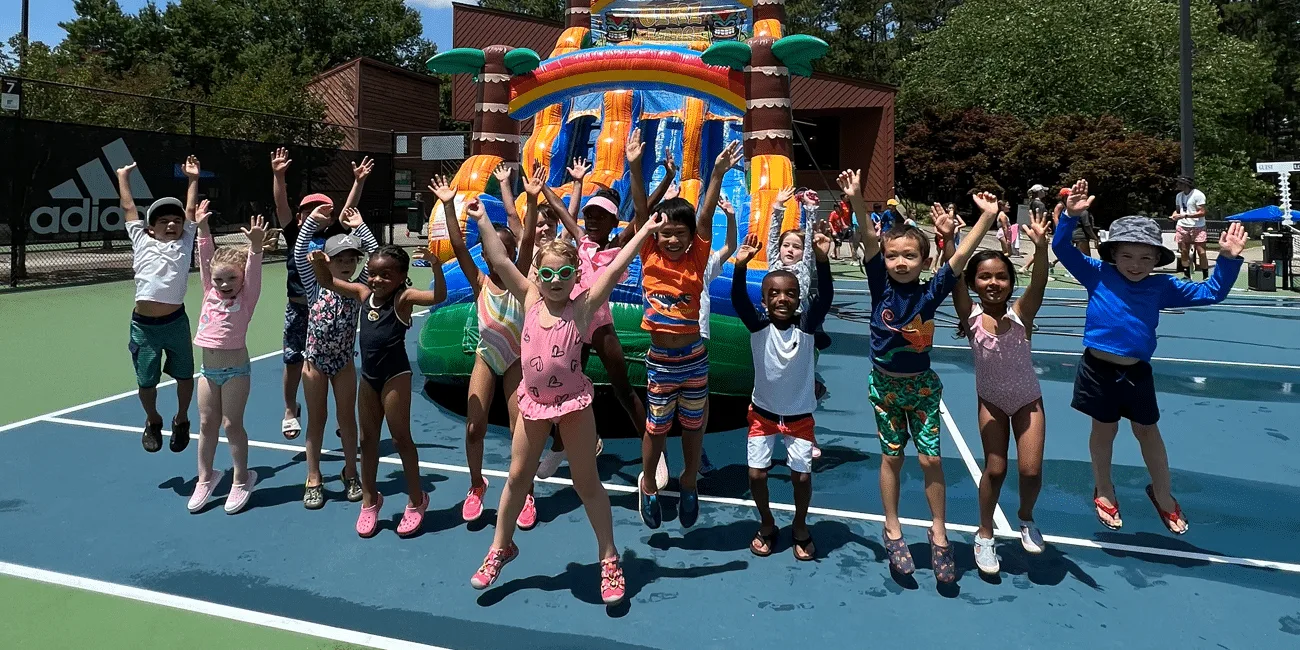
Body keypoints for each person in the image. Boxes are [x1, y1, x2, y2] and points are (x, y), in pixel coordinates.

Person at [466, 202, 667, 605]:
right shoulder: (529, 298)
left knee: (586, 483)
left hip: (573, 405)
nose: (554, 281)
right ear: (536, 275)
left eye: (563, 274)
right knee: (516, 478)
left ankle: (609, 558)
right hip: (534, 406)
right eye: (546, 273)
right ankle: (500, 547)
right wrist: (482, 220)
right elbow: (500, 257)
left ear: (575, 275)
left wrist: (644, 232)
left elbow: (611, 271)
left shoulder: (583, 307)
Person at [1053, 179, 1245, 536]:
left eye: (1145, 257)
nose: (1135, 264)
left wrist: (1229, 259)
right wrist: (1070, 216)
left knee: (1148, 432)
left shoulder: (1162, 286)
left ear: (1158, 259)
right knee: (1103, 431)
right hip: (1097, 369)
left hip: (1136, 371)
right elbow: (1061, 248)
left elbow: (1213, 292)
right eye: (1126, 255)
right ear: (1112, 255)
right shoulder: (1097, 274)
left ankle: (1162, 494)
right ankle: (1104, 489)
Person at [845, 167, 999, 585]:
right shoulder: (881, 285)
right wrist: (858, 198)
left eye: (909, 256)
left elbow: (961, 257)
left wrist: (985, 218)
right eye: (893, 255)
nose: (899, 262)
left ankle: (938, 530)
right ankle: (892, 527)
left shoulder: (930, 294)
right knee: (892, 457)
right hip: (884, 388)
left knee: (931, 458)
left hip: (922, 388)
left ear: (924, 260)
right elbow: (868, 237)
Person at [626, 130, 742, 530]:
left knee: (693, 425)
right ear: (655, 235)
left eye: (681, 233)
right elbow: (642, 211)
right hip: (660, 360)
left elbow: (705, 215)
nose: (672, 239)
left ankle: (689, 479)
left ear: (693, 238)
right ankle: (649, 485)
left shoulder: (697, 258)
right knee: (655, 428)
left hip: (693, 358)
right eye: (666, 233)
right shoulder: (649, 255)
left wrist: (717, 174)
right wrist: (634, 167)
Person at [533, 157, 672, 482]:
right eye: (590, 214)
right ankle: (558, 447)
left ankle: (656, 451)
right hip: (571, 328)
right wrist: (541, 186)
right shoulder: (580, 239)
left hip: (598, 324)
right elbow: (562, 208)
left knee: (623, 390)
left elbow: (646, 208)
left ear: (613, 221)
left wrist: (666, 178)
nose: (593, 220)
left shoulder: (619, 244)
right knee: (565, 389)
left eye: (601, 216)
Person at [309, 244, 446, 538]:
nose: (377, 280)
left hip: (395, 377)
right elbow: (327, 281)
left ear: (401, 277)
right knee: (366, 440)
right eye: (373, 274)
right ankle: (370, 500)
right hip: (369, 379)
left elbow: (439, 296)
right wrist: (320, 262)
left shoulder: (404, 299)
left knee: (400, 439)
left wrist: (436, 266)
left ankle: (416, 499)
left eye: (386, 275)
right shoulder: (362, 295)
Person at [429, 171, 536, 526]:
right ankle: (476, 484)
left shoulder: (521, 276)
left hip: (517, 359)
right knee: (474, 427)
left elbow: (529, 237)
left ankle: (526, 490)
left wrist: (531, 199)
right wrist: (448, 205)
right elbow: (459, 246)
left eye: (502, 250)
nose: (494, 256)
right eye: (491, 251)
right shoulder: (480, 281)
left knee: (519, 428)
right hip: (487, 358)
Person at [950, 210, 1052, 574]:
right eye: (985, 277)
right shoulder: (970, 317)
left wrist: (1041, 248)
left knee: (1030, 470)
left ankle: (1026, 518)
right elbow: (953, 273)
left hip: (1028, 400)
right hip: (991, 402)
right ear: (974, 283)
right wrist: (947, 238)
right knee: (995, 469)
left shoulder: (1023, 314)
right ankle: (985, 534)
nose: (993, 282)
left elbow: (1038, 281)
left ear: (1011, 282)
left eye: (1001, 277)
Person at [732, 229, 833, 560]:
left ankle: (800, 525)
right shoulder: (759, 329)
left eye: (790, 294)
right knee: (756, 474)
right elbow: (738, 300)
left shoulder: (805, 330)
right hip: (763, 416)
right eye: (774, 294)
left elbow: (826, 298)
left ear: (798, 299)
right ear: (764, 301)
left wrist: (821, 258)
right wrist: (741, 266)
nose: (782, 299)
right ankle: (767, 522)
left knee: (801, 477)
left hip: (799, 419)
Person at [273, 148, 374, 440]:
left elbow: (348, 213)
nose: (316, 214)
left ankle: (344, 418)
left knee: (339, 362)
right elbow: (281, 206)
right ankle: (291, 409)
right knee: (293, 360)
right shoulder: (296, 233)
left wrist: (358, 182)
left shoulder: (333, 239)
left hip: (335, 308)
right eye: (309, 210)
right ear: (301, 214)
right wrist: (279, 175)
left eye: (323, 210)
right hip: (299, 308)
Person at [294, 207, 379, 509]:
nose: (346, 264)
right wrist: (312, 223)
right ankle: (313, 476)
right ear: (326, 261)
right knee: (317, 420)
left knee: (347, 420)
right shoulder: (315, 283)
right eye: (339, 259)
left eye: (350, 260)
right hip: (314, 363)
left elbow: (377, 255)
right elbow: (298, 251)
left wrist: (360, 224)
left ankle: (350, 472)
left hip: (343, 364)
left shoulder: (360, 288)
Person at [187, 207, 268, 514]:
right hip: (207, 371)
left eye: (231, 278)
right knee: (207, 424)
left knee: (232, 424)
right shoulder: (209, 291)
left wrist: (256, 248)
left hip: (236, 371)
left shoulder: (246, 298)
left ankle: (241, 479)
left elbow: (254, 271)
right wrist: (204, 227)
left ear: (242, 278)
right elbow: (205, 257)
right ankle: (206, 478)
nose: (223, 284)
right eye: (218, 279)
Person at [118, 157, 200, 455]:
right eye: (164, 221)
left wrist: (192, 179)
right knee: (146, 382)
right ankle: (153, 420)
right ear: (150, 228)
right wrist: (122, 177)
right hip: (144, 327)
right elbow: (129, 208)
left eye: (176, 221)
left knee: (184, 377)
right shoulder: (141, 239)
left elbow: (190, 211)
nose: (171, 224)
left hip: (176, 323)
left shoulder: (185, 240)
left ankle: (182, 419)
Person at [1173, 176, 1209, 280]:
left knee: (1201, 251)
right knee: (1184, 251)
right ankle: (1186, 275)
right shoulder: (1179, 196)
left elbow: (1202, 212)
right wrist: (1174, 216)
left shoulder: (1198, 195)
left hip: (1197, 226)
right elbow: (1178, 211)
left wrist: (1186, 216)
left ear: (1186, 184)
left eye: (1179, 183)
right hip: (1182, 226)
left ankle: (1205, 276)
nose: (1177, 185)